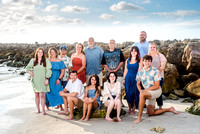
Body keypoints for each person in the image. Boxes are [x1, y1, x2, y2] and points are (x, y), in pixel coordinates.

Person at [133, 55, 178, 124]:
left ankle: (139, 117)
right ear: (143, 62)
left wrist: (144, 90)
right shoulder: (140, 71)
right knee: (151, 113)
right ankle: (169, 109)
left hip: (156, 91)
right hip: (147, 92)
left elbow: (157, 86)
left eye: (149, 61)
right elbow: (138, 84)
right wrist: (140, 90)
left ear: (151, 62)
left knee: (142, 94)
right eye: (145, 61)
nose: (147, 63)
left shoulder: (155, 71)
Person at [26, 48, 52, 115]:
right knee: (36, 95)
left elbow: (49, 70)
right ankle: (38, 109)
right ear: (36, 53)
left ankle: (43, 110)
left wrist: (47, 79)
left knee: (42, 95)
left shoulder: (46, 60)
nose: (40, 53)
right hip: (35, 80)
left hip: (43, 79)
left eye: (41, 52)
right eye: (39, 52)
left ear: (43, 53)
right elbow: (27, 68)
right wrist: (30, 72)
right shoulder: (33, 60)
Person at [149, 42, 167, 109]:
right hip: (149, 78)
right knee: (150, 92)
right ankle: (151, 106)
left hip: (159, 77)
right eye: (151, 47)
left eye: (154, 47)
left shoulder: (160, 56)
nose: (152, 48)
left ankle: (160, 106)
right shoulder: (148, 56)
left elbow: (162, 67)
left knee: (158, 91)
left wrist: (154, 74)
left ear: (156, 48)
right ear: (149, 48)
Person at [123, 46, 140, 115]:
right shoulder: (127, 60)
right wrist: (124, 79)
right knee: (128, 94)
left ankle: (133, 108)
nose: (133, 52)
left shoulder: (139, 60)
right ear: (130, 52)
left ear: (137, 52)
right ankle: (129, 107)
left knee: (135, 93)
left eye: (135, 51)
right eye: (132, 51)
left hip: (135, 79)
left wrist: (139, 80)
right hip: (128, 79)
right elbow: (125, 70)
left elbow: (140, 71)